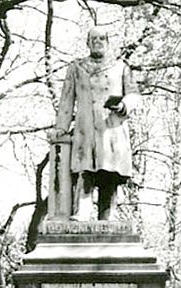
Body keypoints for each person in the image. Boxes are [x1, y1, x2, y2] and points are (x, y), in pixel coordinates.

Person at [53, 26, 139, 221]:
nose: (98, 42)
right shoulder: (76, 67)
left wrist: (125, 104)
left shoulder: (120, 67)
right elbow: (67, 99)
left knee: (109, 170)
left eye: (102, 38)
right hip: (86, 127)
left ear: (108, 42)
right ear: (88, 43)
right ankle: (82, 211)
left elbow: (134, 93)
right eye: (93, 39)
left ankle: (107, 214)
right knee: (86, 169)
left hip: (111, 126)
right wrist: (61, 127)